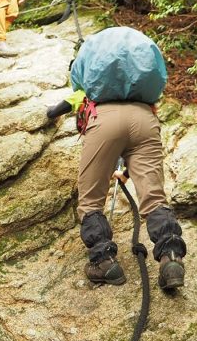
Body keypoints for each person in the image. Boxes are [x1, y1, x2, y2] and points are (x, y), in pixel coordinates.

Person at [47, 93, 187, 290]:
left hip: (104, 120)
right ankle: (171, 256)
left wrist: (50, 113)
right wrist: (126, 173)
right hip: (144, 119)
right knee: (154, 199)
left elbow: (55, 111)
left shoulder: (89, 89)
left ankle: (104, 262)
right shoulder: (137, 86)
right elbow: (134, 148)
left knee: (91, 202)